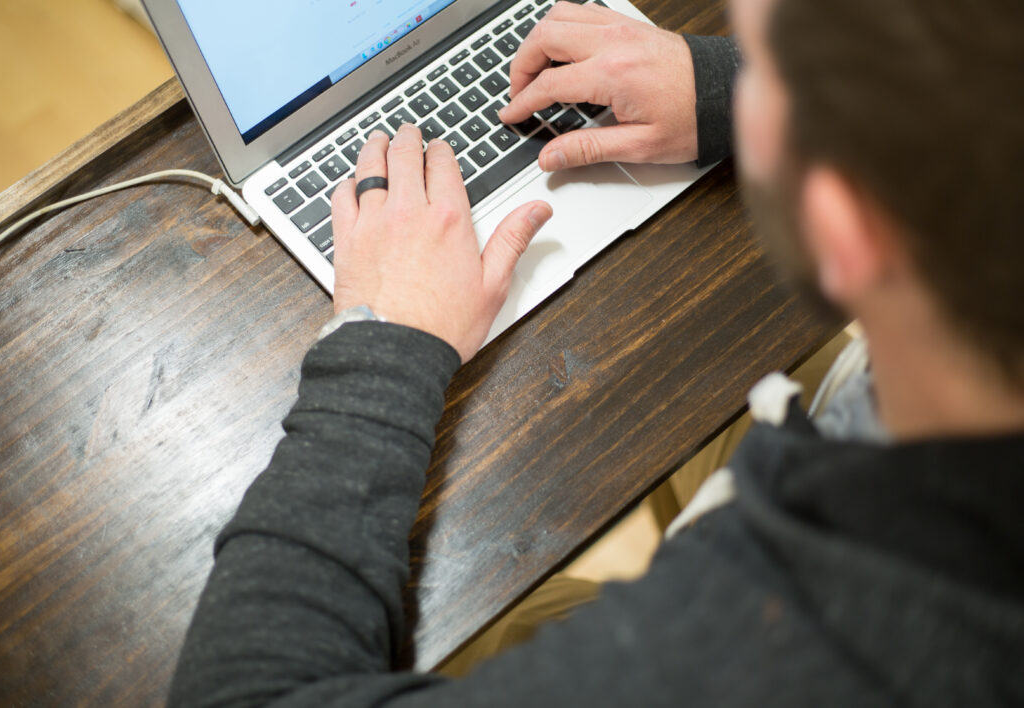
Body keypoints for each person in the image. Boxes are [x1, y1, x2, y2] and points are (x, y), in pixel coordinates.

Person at [167, 0, 1024, 704]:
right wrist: (723, 85)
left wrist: (386, 335)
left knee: (500, 627)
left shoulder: (763, 657)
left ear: (843, 228)